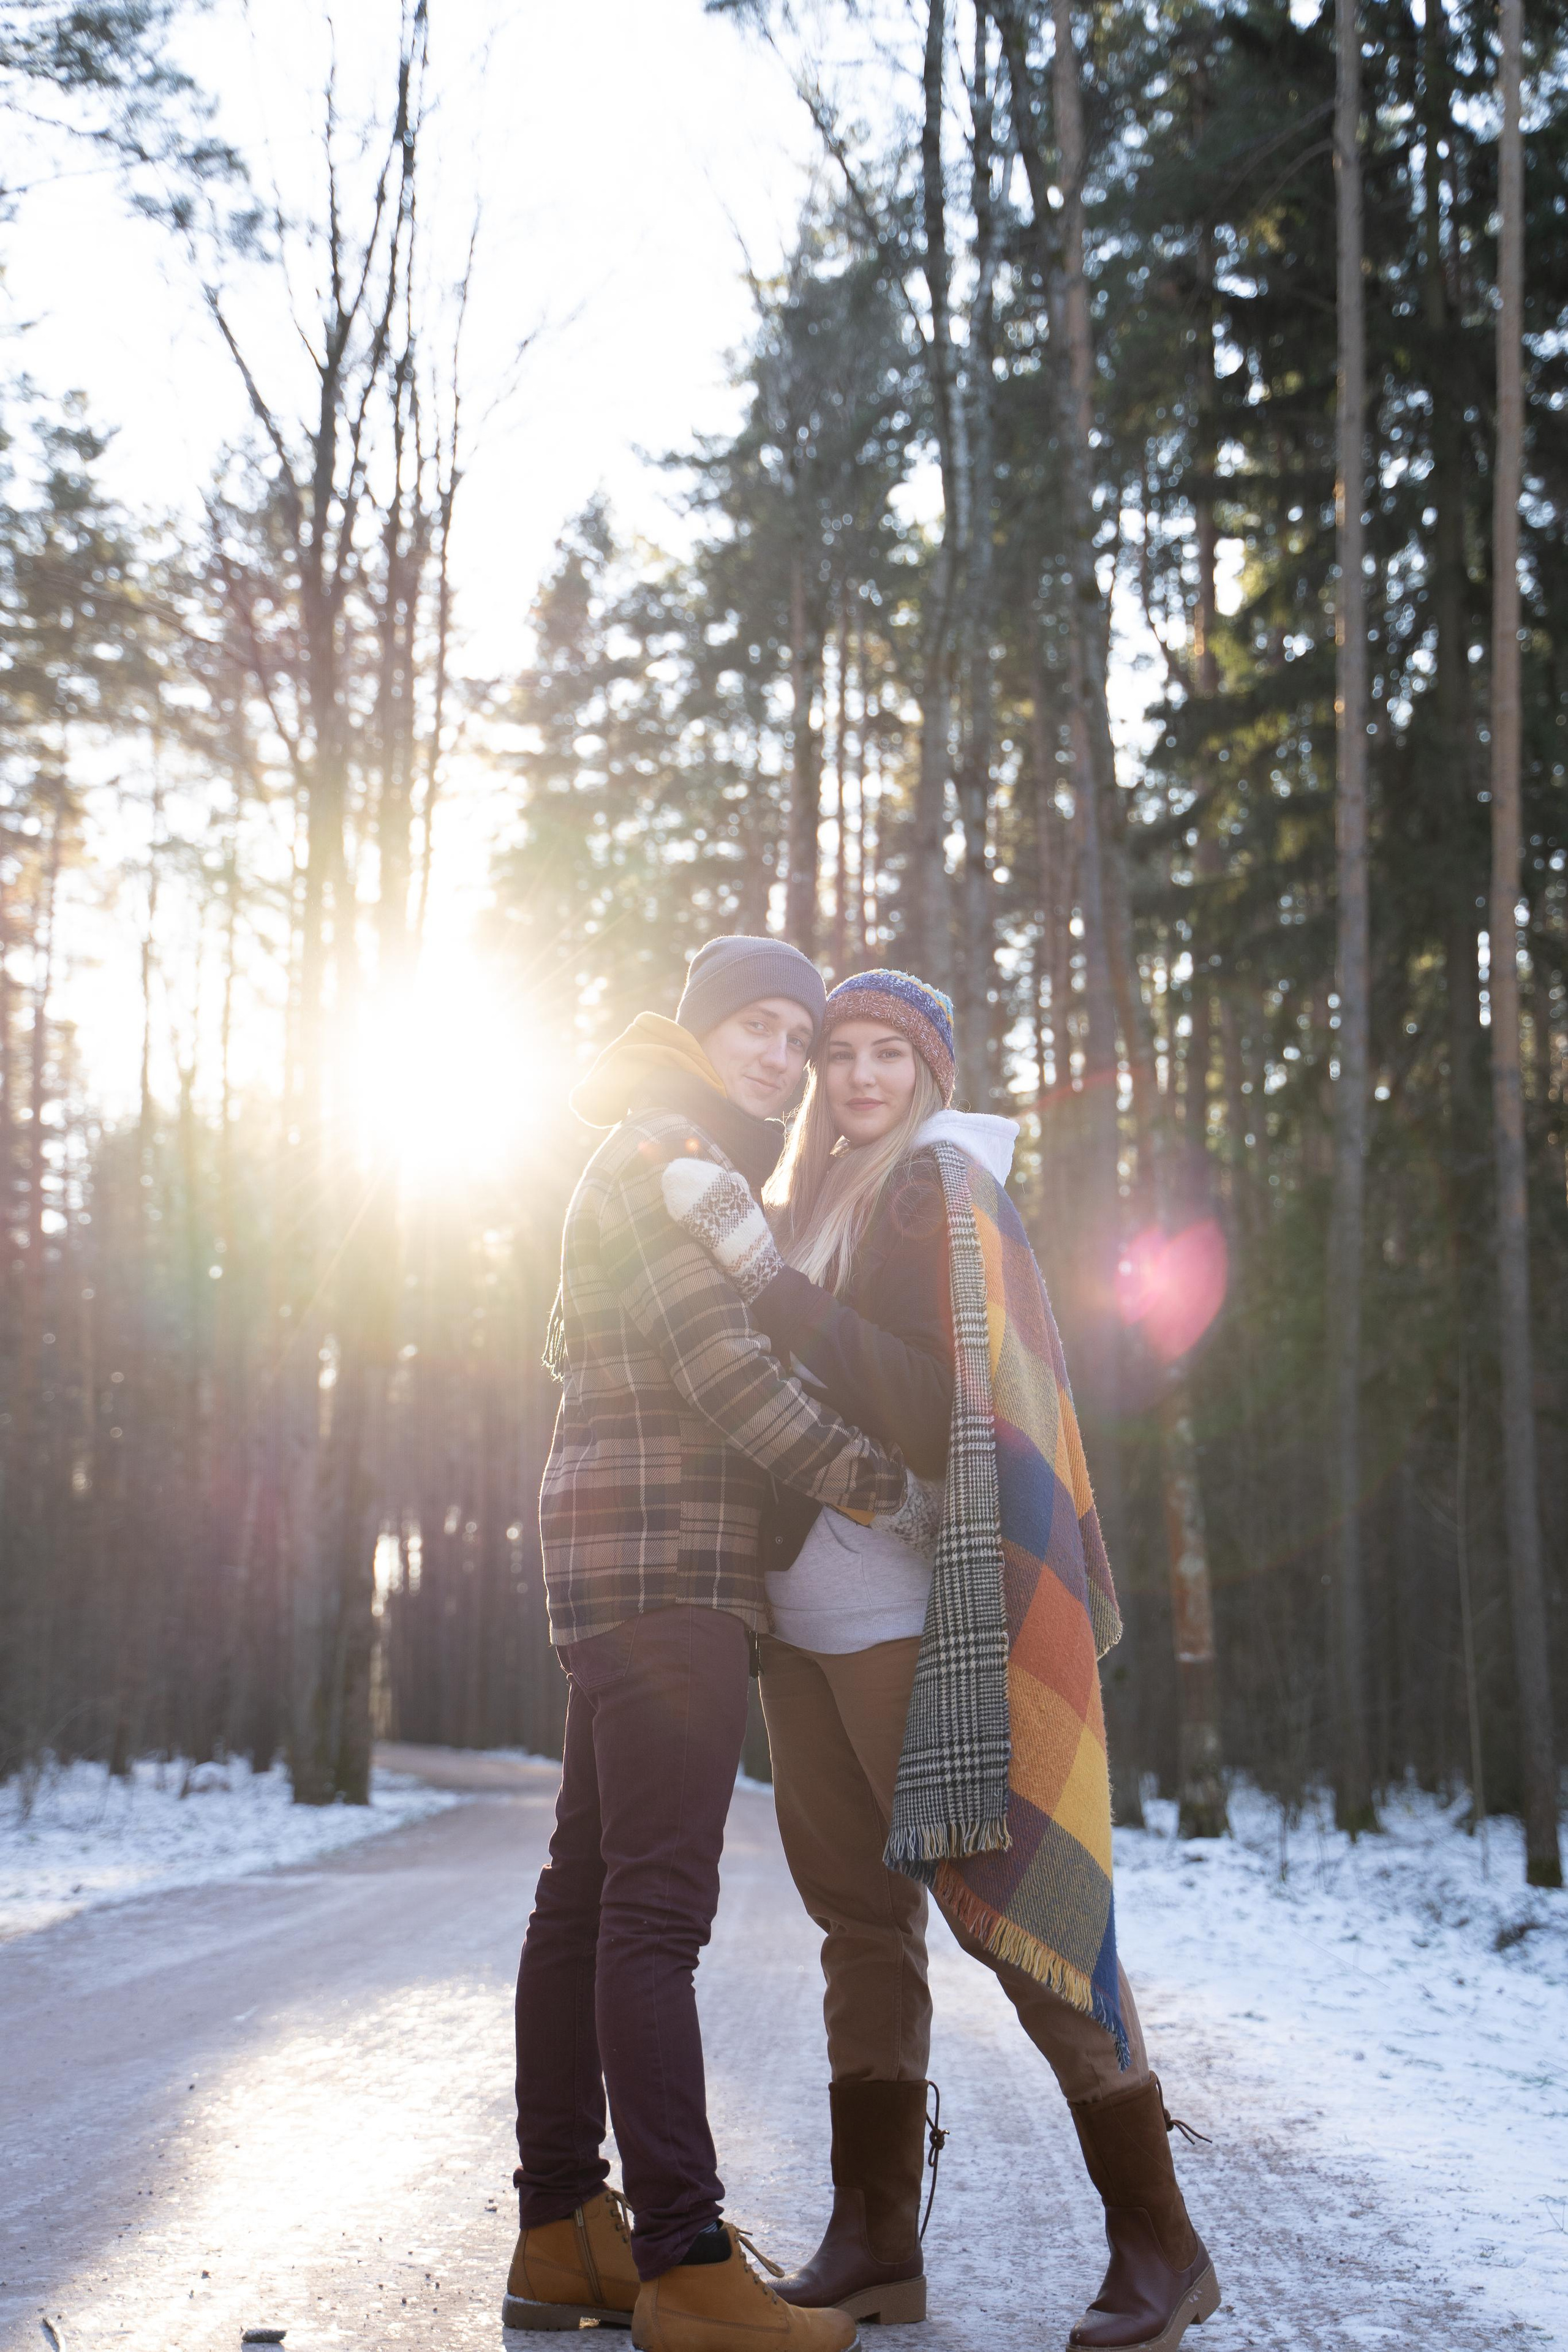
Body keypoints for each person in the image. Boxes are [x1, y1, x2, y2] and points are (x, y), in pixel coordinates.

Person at [663, 970, 1219, 2352]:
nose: (851, 1077)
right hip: (805, 1619)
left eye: (882, 1055)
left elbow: (930, 1403)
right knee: (857, 1922)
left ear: (929, 1072)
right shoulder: (826, 1190)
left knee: (1012, 1909)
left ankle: (1161, 2244)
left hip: (908, 1614)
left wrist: (771, 1290)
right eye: (835, 1052)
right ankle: (873, 2245)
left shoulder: (934, 1192)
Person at [506, 937, 937, 2352]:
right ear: (697, 1034)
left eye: (795, 1039)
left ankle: (566, 2230)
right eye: (754, 1026)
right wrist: (885, 1484)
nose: (780, 1057)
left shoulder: (668, 1152)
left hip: (617, 1556)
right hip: (662, 1564)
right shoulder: (662, 1153)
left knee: (584, 1891)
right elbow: (731, 1376)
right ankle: (686, 2263)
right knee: (654, 1912)